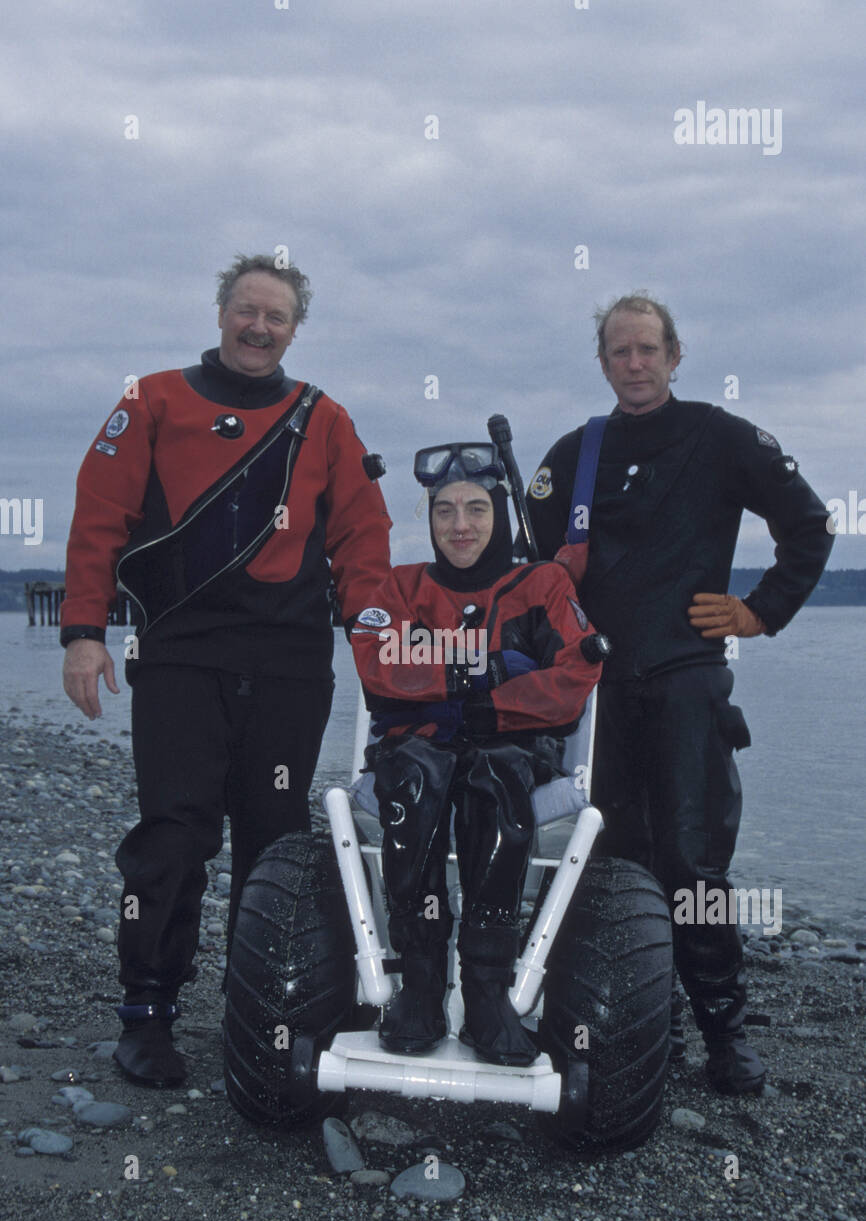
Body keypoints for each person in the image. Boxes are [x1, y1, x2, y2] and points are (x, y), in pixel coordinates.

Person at [60, 253, 391, 1086]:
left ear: (293, 329)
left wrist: (383, 647)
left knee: (275, 847)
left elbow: (362, 541)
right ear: (220, 313)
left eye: (276, 317)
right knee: (172, 840)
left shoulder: (327, 422)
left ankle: (264, 1020)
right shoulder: (151, 401)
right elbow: (98, 518)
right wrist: (82, 632)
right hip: (180, 661)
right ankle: (146, 1014)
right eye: (247, 310)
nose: (258, 327)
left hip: (288, 668)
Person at [527, 293, 833, 1096]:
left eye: (648, 350)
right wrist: (555, 576)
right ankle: (634, 1018)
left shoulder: (722, 438)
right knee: (606, 860)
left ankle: (725, 1031)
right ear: (602, 363)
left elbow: (810, 525)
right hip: (596, 695)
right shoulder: (576, 453)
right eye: (619, 352)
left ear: (674, 355)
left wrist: (760, 610)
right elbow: (521, 570)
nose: (635, 364)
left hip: (687, 684)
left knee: (694, 868)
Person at [350, 444, 604, 1066]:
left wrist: (484, 707)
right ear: (430, 521)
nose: (459, 526)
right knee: (413, 777)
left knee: (497, 776)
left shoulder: (542, 584)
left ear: (500, 515)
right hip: (420, 752)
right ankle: (422, 982)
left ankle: (487, 991)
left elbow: (577, 671)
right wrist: (487, 672)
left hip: (508, 749)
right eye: (443, 512)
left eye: (474, 509)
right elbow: (378, 663)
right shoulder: (401, 586)